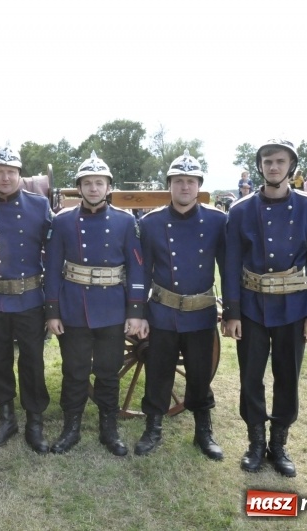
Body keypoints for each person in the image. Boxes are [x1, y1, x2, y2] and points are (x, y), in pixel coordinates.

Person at [223, 139, 307, 478]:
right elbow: (231, 264)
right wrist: (233, 312)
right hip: (251, 307)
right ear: (260, 166)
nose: (273, 167)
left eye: (280, 161)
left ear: (291, 166)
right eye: (267, 161)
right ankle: (255, 443)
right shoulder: (239, 210)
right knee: (251, 377)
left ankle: (279, 445)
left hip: (294, 308)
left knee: (287, 377)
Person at [44, 151, 145, 456]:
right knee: (74, 371)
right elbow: (51, 268)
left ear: (108, 187)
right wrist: (52, 311)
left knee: (108, 371)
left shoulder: (126, 221)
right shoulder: (62, 221)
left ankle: (108, 428)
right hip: (74, 306)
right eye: (87, 183)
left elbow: (136, 266)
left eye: (99, 183)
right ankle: (70, 427)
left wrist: (136, 311)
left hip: (112, 308)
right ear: (79, 187)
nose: (93, 188)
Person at [134, 150, 226, 460]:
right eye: (178, 181)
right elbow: (142, 271)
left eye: (190, 181)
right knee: (158, 372)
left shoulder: (217, 221)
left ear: (198, 185)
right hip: (162, 312)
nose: (184, 187)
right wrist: (138, 312)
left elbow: (226, 267)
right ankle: (153, 427)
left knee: (200, 375)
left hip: (201, 312)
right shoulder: (151, 222)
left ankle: (203, 430)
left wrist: (232, 311)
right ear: (169, 185)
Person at [0, 143, 51, 454]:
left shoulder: (39, 206)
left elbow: (56, 248)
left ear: (19, 174)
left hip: (30, 298)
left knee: (32, 362)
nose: (5, 178)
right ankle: (7, 418)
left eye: (11, 172)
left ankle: (35, 421)